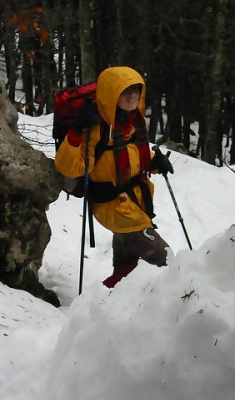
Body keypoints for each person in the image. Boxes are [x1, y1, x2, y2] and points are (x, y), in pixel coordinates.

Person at [55, 66, 173, 288]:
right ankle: (175, 297)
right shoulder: (96, 128)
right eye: (125, 90)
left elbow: (129, 155)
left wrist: (154, 162)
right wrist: (76, 131)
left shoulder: (132, 121)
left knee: (127, 258)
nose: (132, 95)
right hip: (114, 206)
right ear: (111, 93)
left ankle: (115, 291)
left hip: (133, 201)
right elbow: (70, 167)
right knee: (165, 259)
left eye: (136, 89)